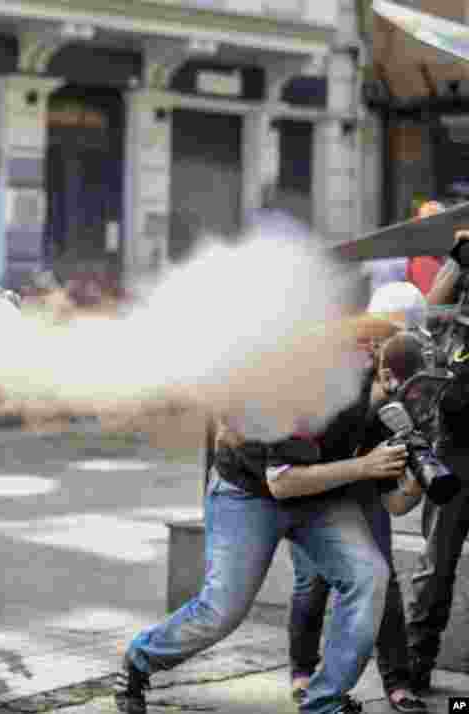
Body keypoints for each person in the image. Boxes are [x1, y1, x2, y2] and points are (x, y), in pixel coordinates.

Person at [117, 335, 421, 713]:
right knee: (222, 610)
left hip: (319, 496)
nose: (406, 406)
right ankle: (139, 661)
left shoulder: (381, 405)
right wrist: (363, 466)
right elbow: (282, 481)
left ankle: (324, 702)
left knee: (369, 575)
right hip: (249, 493)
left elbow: (395, 502)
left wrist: (419, 480)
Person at [287, 283, 431, 713]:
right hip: (317, 484)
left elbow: (397, 494)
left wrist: (418, 472)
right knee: (312, 584)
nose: (390, 345)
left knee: (382, 579)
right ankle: (302, 673)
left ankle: (398, 681)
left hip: (367, 483)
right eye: (385, 335)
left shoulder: (404, 367)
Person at [401, 228, 469, 693]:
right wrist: (460, 257)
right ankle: (415, 663)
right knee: (436, 564)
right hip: (457, 450)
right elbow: (429, 311)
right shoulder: (456, 311)